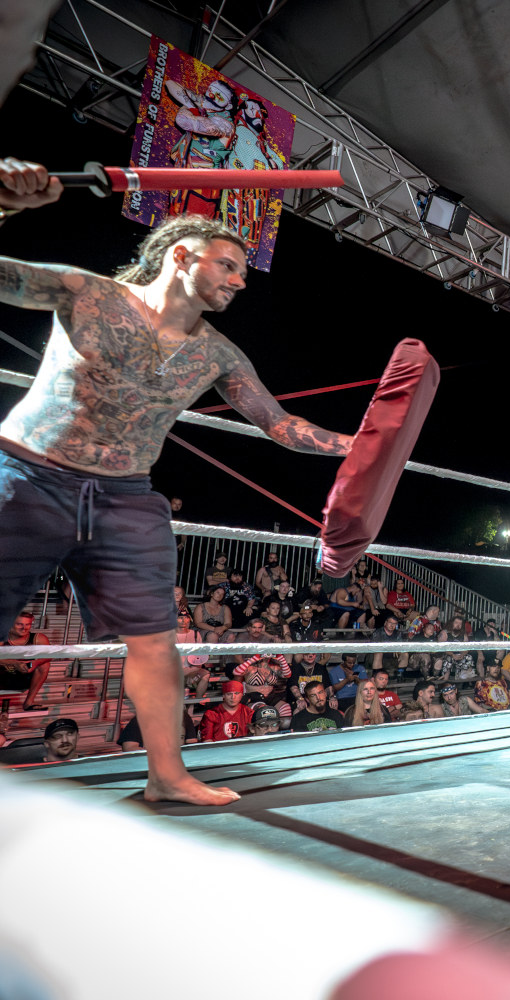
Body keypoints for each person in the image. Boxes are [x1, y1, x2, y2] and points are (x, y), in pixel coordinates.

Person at [0, 174, 356, 803]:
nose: (240, 281)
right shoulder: (88, 293)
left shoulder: (219, 354)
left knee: (157, 641)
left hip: (126, 495)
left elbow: (278, 424)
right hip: (29, 475)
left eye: (242, 271)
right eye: (228, 265)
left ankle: (166, 775)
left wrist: (357, 446)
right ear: (182, 255)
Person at [1, 610, 51, 710]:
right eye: (19, 624)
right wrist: (15, 663)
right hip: (3, 677)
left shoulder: (38, 638)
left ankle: (29, 703)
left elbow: (49, 655)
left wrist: (35, 663)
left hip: (23, 678)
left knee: (44, 664)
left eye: (27, 624)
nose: (24, 628)